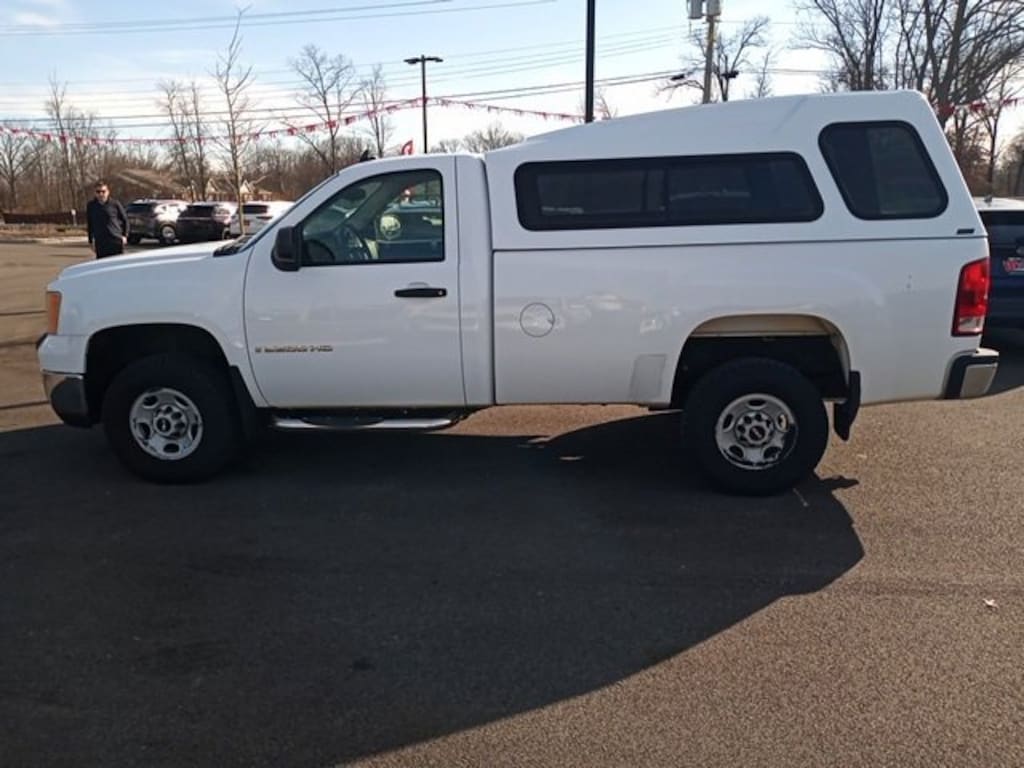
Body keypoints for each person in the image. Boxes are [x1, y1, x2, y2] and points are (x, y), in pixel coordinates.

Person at [86, 180, 129, 258]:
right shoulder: (91, 206)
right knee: (102, 264)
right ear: (95, 193)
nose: (101, 194)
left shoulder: (115, 204)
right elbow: (90, 223)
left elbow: (125, 220)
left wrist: (125, 236)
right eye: (98, 192)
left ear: (108, 192)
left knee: (117, 263)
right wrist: (90, 241)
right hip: (100, 242)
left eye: (103, 191)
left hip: (115, 240)